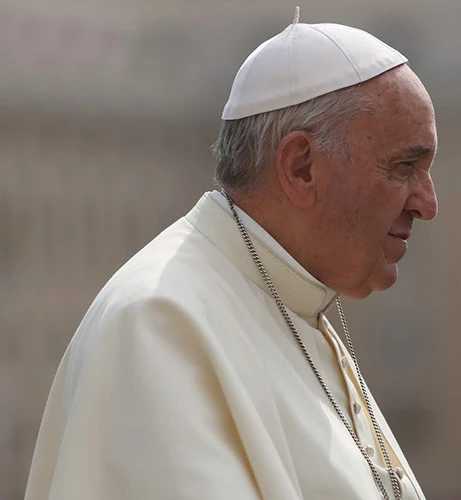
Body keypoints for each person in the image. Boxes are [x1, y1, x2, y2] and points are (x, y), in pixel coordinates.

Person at [24, 9, 437, 500]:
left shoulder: (299, 304)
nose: (427, 204)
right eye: (403, 167)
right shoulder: (158, 324)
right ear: (301, 167)